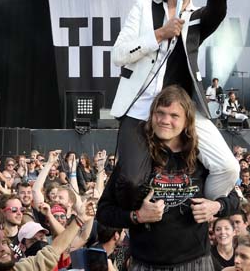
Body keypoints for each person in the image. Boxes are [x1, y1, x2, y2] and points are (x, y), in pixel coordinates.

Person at [109, 0, 238, 208]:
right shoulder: (144, 7)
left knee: (228, 167)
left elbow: (216, 12)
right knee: (132, 181)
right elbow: (119, 54)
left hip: (181, 110)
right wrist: (159, 34)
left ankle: (202, 212)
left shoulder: (197, 18)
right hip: (140, 108)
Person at [98, 85, 239, 270]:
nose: (165, 120)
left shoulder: (202, 158)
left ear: (187, 120)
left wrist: (216, 206)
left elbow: (235, 198)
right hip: (146, 264)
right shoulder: (137, 160)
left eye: (174, 115)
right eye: (160, 113)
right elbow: (104, 212)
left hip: (195, 263)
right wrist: (137, 216)